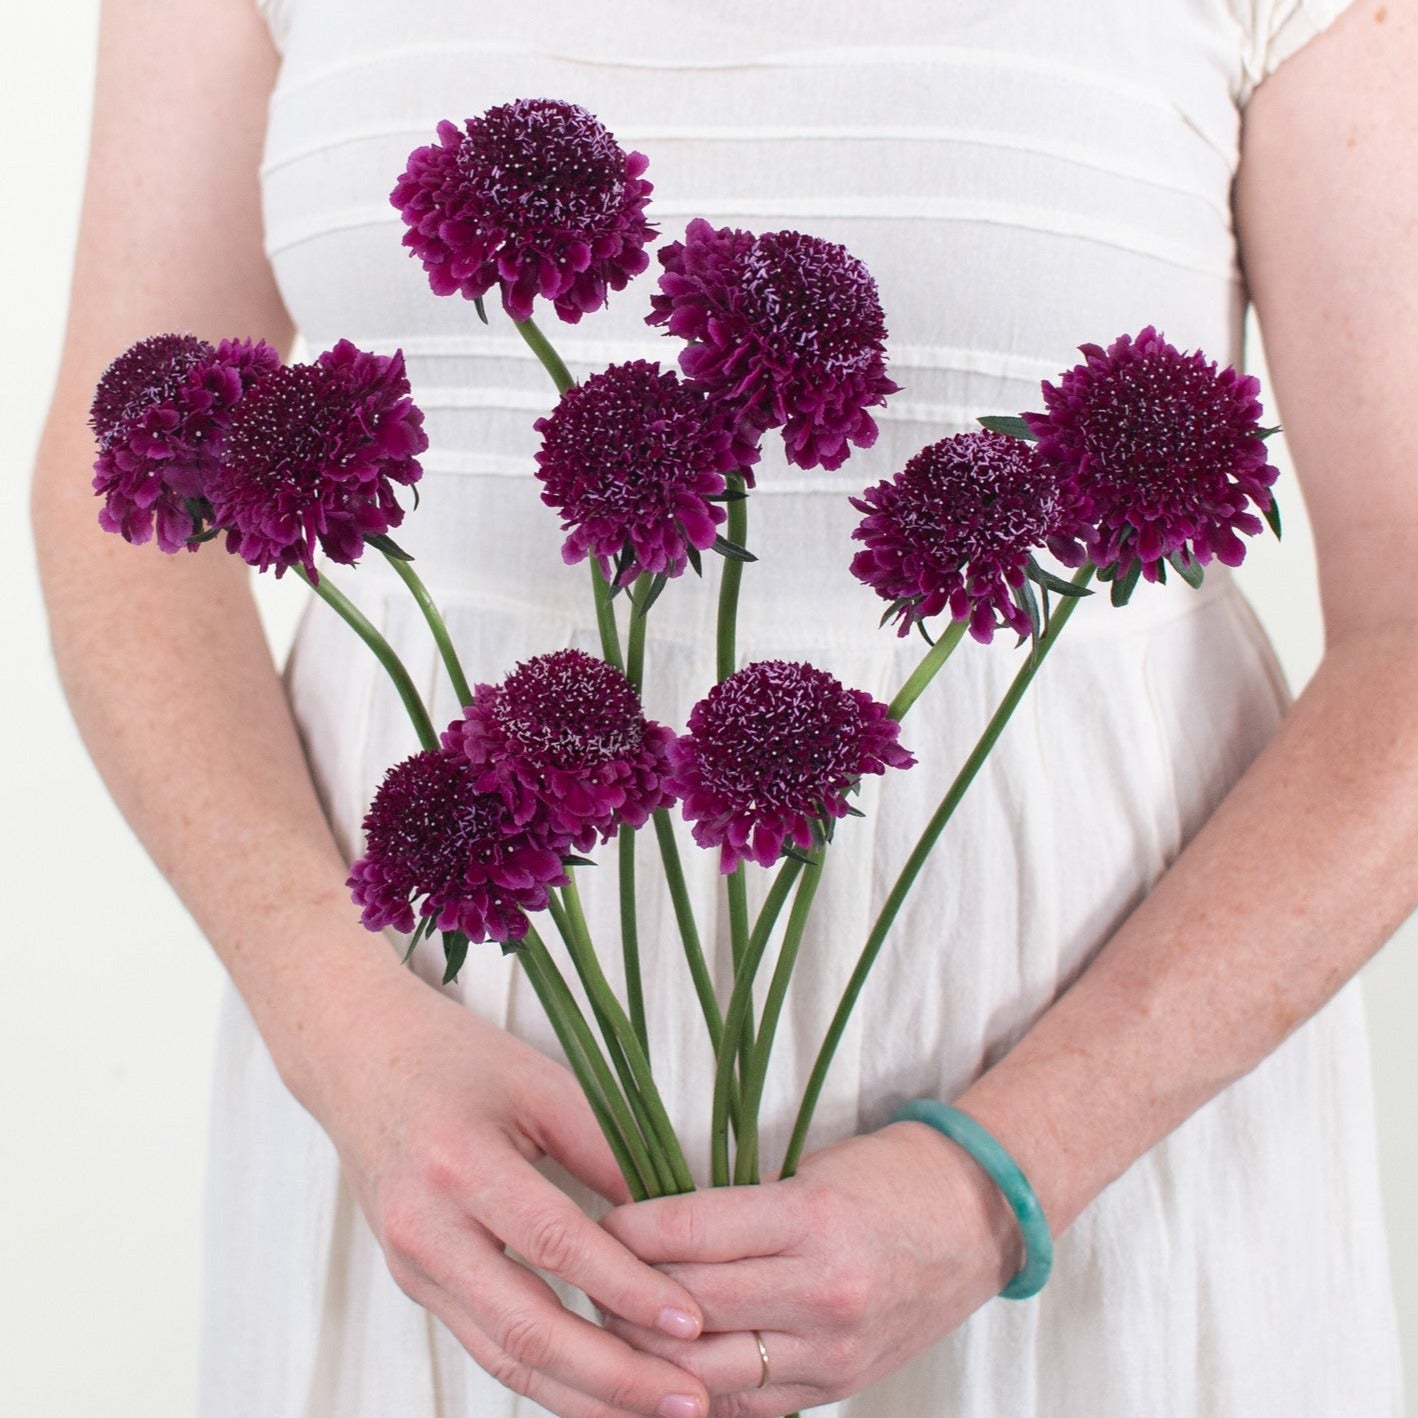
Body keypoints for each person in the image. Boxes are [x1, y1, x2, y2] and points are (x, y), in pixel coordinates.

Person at [31, 0, 1414, 1414]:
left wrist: (1003, 1168)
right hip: (438, 1152)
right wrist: (339, 1027)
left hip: (1092, 1160)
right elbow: (122, 504)